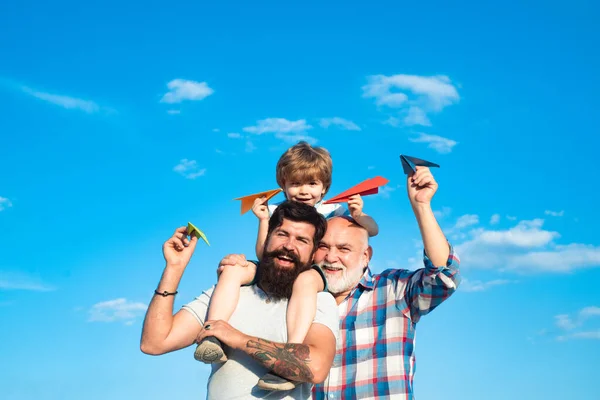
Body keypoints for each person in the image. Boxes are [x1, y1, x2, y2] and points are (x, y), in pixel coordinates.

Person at [195, 141, 378, 391]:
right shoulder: (275, 210)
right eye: (296, 183)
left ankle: (291, 356)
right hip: (276, 268)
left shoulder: (333, 210)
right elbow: (263, 253)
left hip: (308, 272)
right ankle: (213, 334)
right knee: (232, 270)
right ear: (283, 185)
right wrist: (262, 221)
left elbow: (373, 231)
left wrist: (359, 216)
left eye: (312, 184)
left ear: (324, 187)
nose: (304, 191)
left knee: (305, 282)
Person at [140, 201, 339, 400]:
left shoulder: (318, 302)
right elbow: (155, 343)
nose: (288, 246)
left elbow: (316, 367)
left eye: (302, 240)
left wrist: (235, 338)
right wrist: (174, 268)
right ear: (266, 238)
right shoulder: (228, 292)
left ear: (313, 254)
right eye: (282, 234)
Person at [310, 165, 462, 399]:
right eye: (323, 247)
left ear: (365, 256)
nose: (331, 257)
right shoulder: (302, 302)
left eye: (344, 248)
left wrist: (421, 205)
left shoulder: (393, 290)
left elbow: (444, 276)